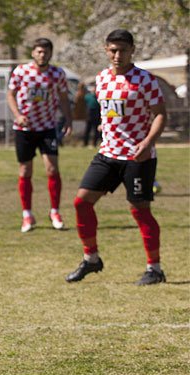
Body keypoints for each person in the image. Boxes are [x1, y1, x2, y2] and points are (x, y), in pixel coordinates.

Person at [65, 29, 167, 285]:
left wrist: (147, 143)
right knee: (81, 203)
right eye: (112, 49)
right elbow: (111, 112)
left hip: (137, 157)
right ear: (106, 50)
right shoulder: (101, 79)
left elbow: (161, 115)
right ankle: (91, 259)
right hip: (107, 154)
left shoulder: (145, 80)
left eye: (122, 49)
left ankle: (154, 269)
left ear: (132, 50)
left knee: (140, 211)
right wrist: (104, 127)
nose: (117, 54)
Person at [7, 38, 73, 232]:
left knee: (52, 168)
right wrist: (18, 116)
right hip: (24, 129)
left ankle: (55, 211)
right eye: (38, 51)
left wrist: (68, 119)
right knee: (25, 171)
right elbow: (10, 95)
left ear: (51, 53)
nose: (42, 55)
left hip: (47, 128)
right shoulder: (21, 71)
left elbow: (63, 98)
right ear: (33, 53)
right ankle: (27, 214)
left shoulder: (57, 73)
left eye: (45, 52)